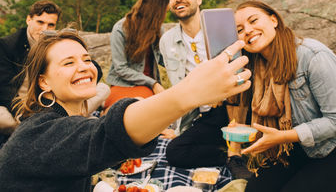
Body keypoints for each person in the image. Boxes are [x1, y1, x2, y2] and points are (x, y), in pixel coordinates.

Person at [0, 30, 251, 191]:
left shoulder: (61, 122)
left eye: (86, 59)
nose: (84, 67)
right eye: (68, 62)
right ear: (43, 82)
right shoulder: (39, 134)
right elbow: (108, 133)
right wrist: (190, 92)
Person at [229, 1, 336, 192]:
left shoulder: (313, 55)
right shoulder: (258, 66)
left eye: (253, 20)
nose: (247, 30)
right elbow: (278, 120)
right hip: (295, 145)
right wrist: (247, 129)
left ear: (274, 20)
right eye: (240, 30)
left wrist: (282, 136)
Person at [160, 0, 243, 173]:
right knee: (175, 152)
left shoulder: (222, 28)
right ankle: (226, 153)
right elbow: (178, 87)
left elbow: (242, 70)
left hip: (233, 106)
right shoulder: (167, 40)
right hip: (203, 114)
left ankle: (237, 150)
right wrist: (178, 128)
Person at [0, 0, 110, 147]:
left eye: (51, 24)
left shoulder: (57, 42)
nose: (44, 28)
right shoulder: (7, 45)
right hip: (20, 104)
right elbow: (5, 88)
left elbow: (92, 65)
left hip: (55, 100)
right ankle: (42, 129)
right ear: (28, 19)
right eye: (40, 22)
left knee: (104, 89)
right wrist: (22, 116)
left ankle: (62, 124)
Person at [104, 0, 168, 114]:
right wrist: (153, 83)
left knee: (160, 112)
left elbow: (163, 60)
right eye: (165, 11)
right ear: (158, 11)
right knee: (137, 112)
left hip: (149, 85)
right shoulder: (120, 29)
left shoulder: (159, 30)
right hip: (123, 84)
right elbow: (120, 68)